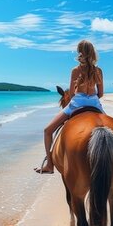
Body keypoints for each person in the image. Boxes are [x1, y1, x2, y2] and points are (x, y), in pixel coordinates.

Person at [35, 40, 105, 174]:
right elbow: (101, 94)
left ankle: (49, 165)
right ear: (92, 53)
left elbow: (72, 94)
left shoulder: (75, 70)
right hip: (95, 103)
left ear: (80, 52)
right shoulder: (99, 71)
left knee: (48, 131)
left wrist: (80, 95)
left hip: (77, 102)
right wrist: (92, 99)